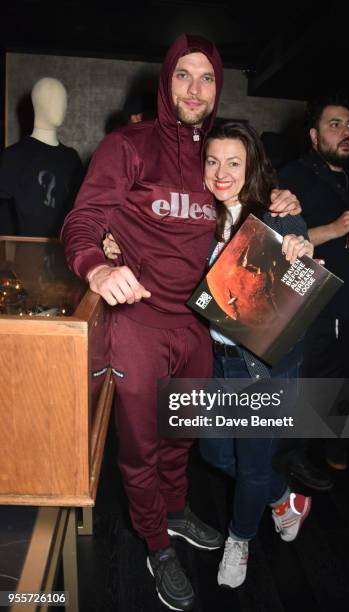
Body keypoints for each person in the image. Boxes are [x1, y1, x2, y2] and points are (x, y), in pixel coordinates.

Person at [61, 34, 300, 612]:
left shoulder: (214, 157)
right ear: (166, 82)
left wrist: (282, 206)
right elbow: (82, 220)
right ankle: (155, 544)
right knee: (140, 448)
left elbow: (245, 205)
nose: (195, 89)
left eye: (208, 78)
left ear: (218, 87)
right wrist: (96, 266)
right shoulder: (128, 146)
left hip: (198, 327)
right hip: (138, 325)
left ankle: (173, 512)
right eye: (183, 76)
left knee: (181, 439)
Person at [198, 120, 312, 589]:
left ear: (252, 168)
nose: (221, 172)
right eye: (212, 161)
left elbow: (302, 269)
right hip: (218, 362)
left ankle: (239, 539)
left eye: (233, 163)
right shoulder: (200, 219)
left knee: (250, 467)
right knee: (215, 454)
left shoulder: (277, 214)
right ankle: (284, 495)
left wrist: (301, 248)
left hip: (265, 366)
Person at [278, 93, 349, 488]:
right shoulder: (292, 176)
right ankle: (289, 458)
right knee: (305, 382)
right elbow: (275, 242)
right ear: (313, 135)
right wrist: (336, 227)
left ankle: (324, 443)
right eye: (334, 125)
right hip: (306, 300)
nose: (346, 133)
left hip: (348, 301)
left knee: (342, 378)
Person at [0, 77, 83, 237]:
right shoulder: (14, 156)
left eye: (63, 100)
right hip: (25, 257)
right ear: (37, 103)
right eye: (52, 98)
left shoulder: (71, 159)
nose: (60, 105)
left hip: (63, 254)